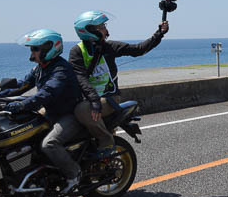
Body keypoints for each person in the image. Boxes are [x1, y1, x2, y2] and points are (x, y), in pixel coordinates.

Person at [70, 10, 169, 158]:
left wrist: (159, 33)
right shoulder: (77, 51)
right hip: (91, 99)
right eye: (102, 26)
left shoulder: (109, 47)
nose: (105, 29)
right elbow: (80, 78)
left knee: (83, 110)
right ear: (91, 30)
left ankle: (106, 141)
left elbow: (138, 49)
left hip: (109, 98)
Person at [0, 29, 83, 194]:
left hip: (69, 115)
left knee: (49, 144)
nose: (32, 52)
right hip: (51, 114)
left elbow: (47, 93)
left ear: (49, 48)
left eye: (35, 49)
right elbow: (21, 85)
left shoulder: (61, 69)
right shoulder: (40, 68)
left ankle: (74, 175)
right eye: (31, 49)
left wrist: (23, 105)